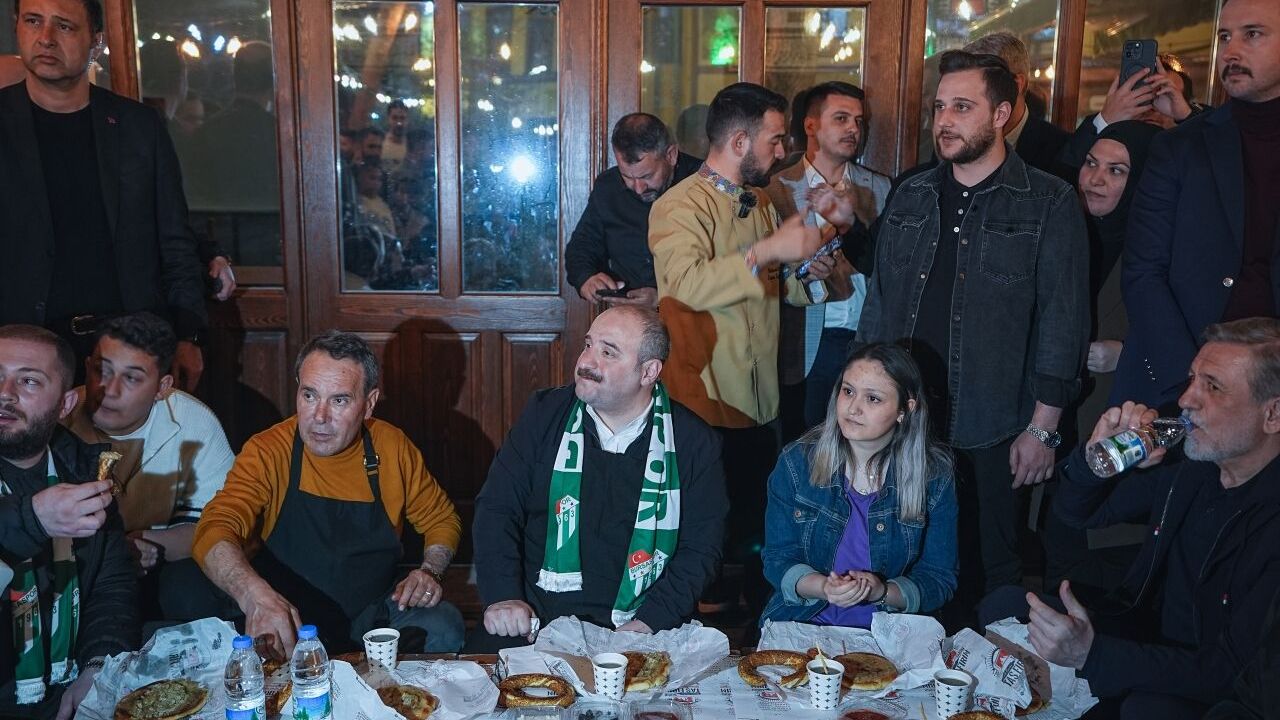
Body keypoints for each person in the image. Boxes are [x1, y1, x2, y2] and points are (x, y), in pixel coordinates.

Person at [856, 51, 1088, 604]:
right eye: (940, 107)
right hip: (904, 417)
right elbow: (878, 305)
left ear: (1002, 114)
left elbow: (1064, 320)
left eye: (962, 107)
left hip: (994, 423)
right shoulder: (911, 193)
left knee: (992, 569)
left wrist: (1043, 429)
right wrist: (860, 402)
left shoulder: (1049, 200)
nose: (945, 120)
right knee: (899, 562)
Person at [985, 318, 1280, 720]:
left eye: (1213, 387)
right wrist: (1096, 461)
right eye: (1192, 379)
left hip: (1209, 687)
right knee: (1004, 606)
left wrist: (1093, 656)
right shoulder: (1193, 465)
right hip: (1143, 635)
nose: (1187, 399)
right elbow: (1076, 515)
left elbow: (1231, 672)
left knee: (1146, 709)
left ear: (1273, 414)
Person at [648, 82, 829, 616]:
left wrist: (807, 273)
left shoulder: (762, 202)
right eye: (776, 139)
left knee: (756, 523)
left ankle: (756, 627)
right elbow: (685, 286)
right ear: (740, 141)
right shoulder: (678, 205)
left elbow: (774, 285)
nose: (784, 149)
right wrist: (768, 249)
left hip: (761, 400)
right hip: (703, 399)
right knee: (704, 532)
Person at [470, 307, 727, 651]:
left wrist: (650, 621)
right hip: (536, 617)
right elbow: (497, 508)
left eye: (608, 352)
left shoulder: (694, 441)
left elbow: (701, 550)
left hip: (644, 621)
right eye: (588, 345)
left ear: (648, 371)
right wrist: (504, 595)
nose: (585, 362)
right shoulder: (544, 414)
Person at [193, 331, 464, 657]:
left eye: (339, 401)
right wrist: (254, 596)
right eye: (309, 396)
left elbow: (442, 520)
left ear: (369, 404)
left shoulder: (391, 447)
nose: (319, 417)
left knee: (444, 626)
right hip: (289, 619)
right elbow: (214, 528)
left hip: (372, 614)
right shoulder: (268, 450)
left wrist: (430, 571)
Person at [0, 0, 208, 390]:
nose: (45, 38)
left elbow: (174, 239)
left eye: (64, 26)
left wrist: (188, 334)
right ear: (17, 27)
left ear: (96, 41)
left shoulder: (138, 126)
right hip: (21, 352)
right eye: (33, 21)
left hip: (127, 346)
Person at [1117, 0, 1280, 409]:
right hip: (1175, 386)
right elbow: (1142, 271)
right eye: (1224, 36)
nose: (1231, 51)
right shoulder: (1180, 147)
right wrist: (1192, 383)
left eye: (1252, 34)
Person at [761, 343, 957, 627]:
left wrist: (882, 592)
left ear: (905, 409)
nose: (853, 408)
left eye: (873, 399)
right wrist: (823, 587)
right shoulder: (797, 462)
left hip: (890, 632)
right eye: (848, 391)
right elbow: (777, 559)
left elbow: (939, 579)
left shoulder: (934, 476)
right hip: (804, 623)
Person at [0, 324, 137, 720]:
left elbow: (111, 586)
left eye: (28, 381)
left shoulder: (84, 471)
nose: (5, 393)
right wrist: (34, 520)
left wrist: (98, 667)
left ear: (65, 403)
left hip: (68, 679)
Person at [63, 313, 234, 621]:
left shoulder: (194, 422)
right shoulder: (59, 417)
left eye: (132, 378)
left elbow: (218, 525)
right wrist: (113, 550)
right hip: (74, 564)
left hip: (159, 563)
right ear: (87, 367)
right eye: (102, 370)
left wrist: (147, 544)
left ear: (162, 387)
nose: (110, 389)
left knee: (190, 589)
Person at [765, 81, 891, 435]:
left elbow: (891, 266)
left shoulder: (881, 188)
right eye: (841, 118)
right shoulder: (774, 191)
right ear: (811, 125)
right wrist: (803, 274)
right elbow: (761, 271)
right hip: (806, 340)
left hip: (866, 339)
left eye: (858, 121)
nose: (853, 129)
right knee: (804, 443)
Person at [565, 113, 701, 307]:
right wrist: (586, 278)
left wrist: (663, 298)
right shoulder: (608, 187)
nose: (638, 188)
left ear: (671, 155)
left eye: (647, 176)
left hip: (696, 318)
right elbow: (582, 245)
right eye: (627, 177)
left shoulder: (706, 184)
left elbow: (728, 268)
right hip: (628, 319)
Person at [962, 32, 1071, 180]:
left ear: (1017, 84)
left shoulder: (1061, 149)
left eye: (982, 83)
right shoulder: (957, 137)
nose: (968, 96)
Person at [381, 100, 409, 174]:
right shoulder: (379, 143)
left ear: (407, 120)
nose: (399, 123)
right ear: (388, 119)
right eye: (394, 118)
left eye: (402, 118)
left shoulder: (412, 144)